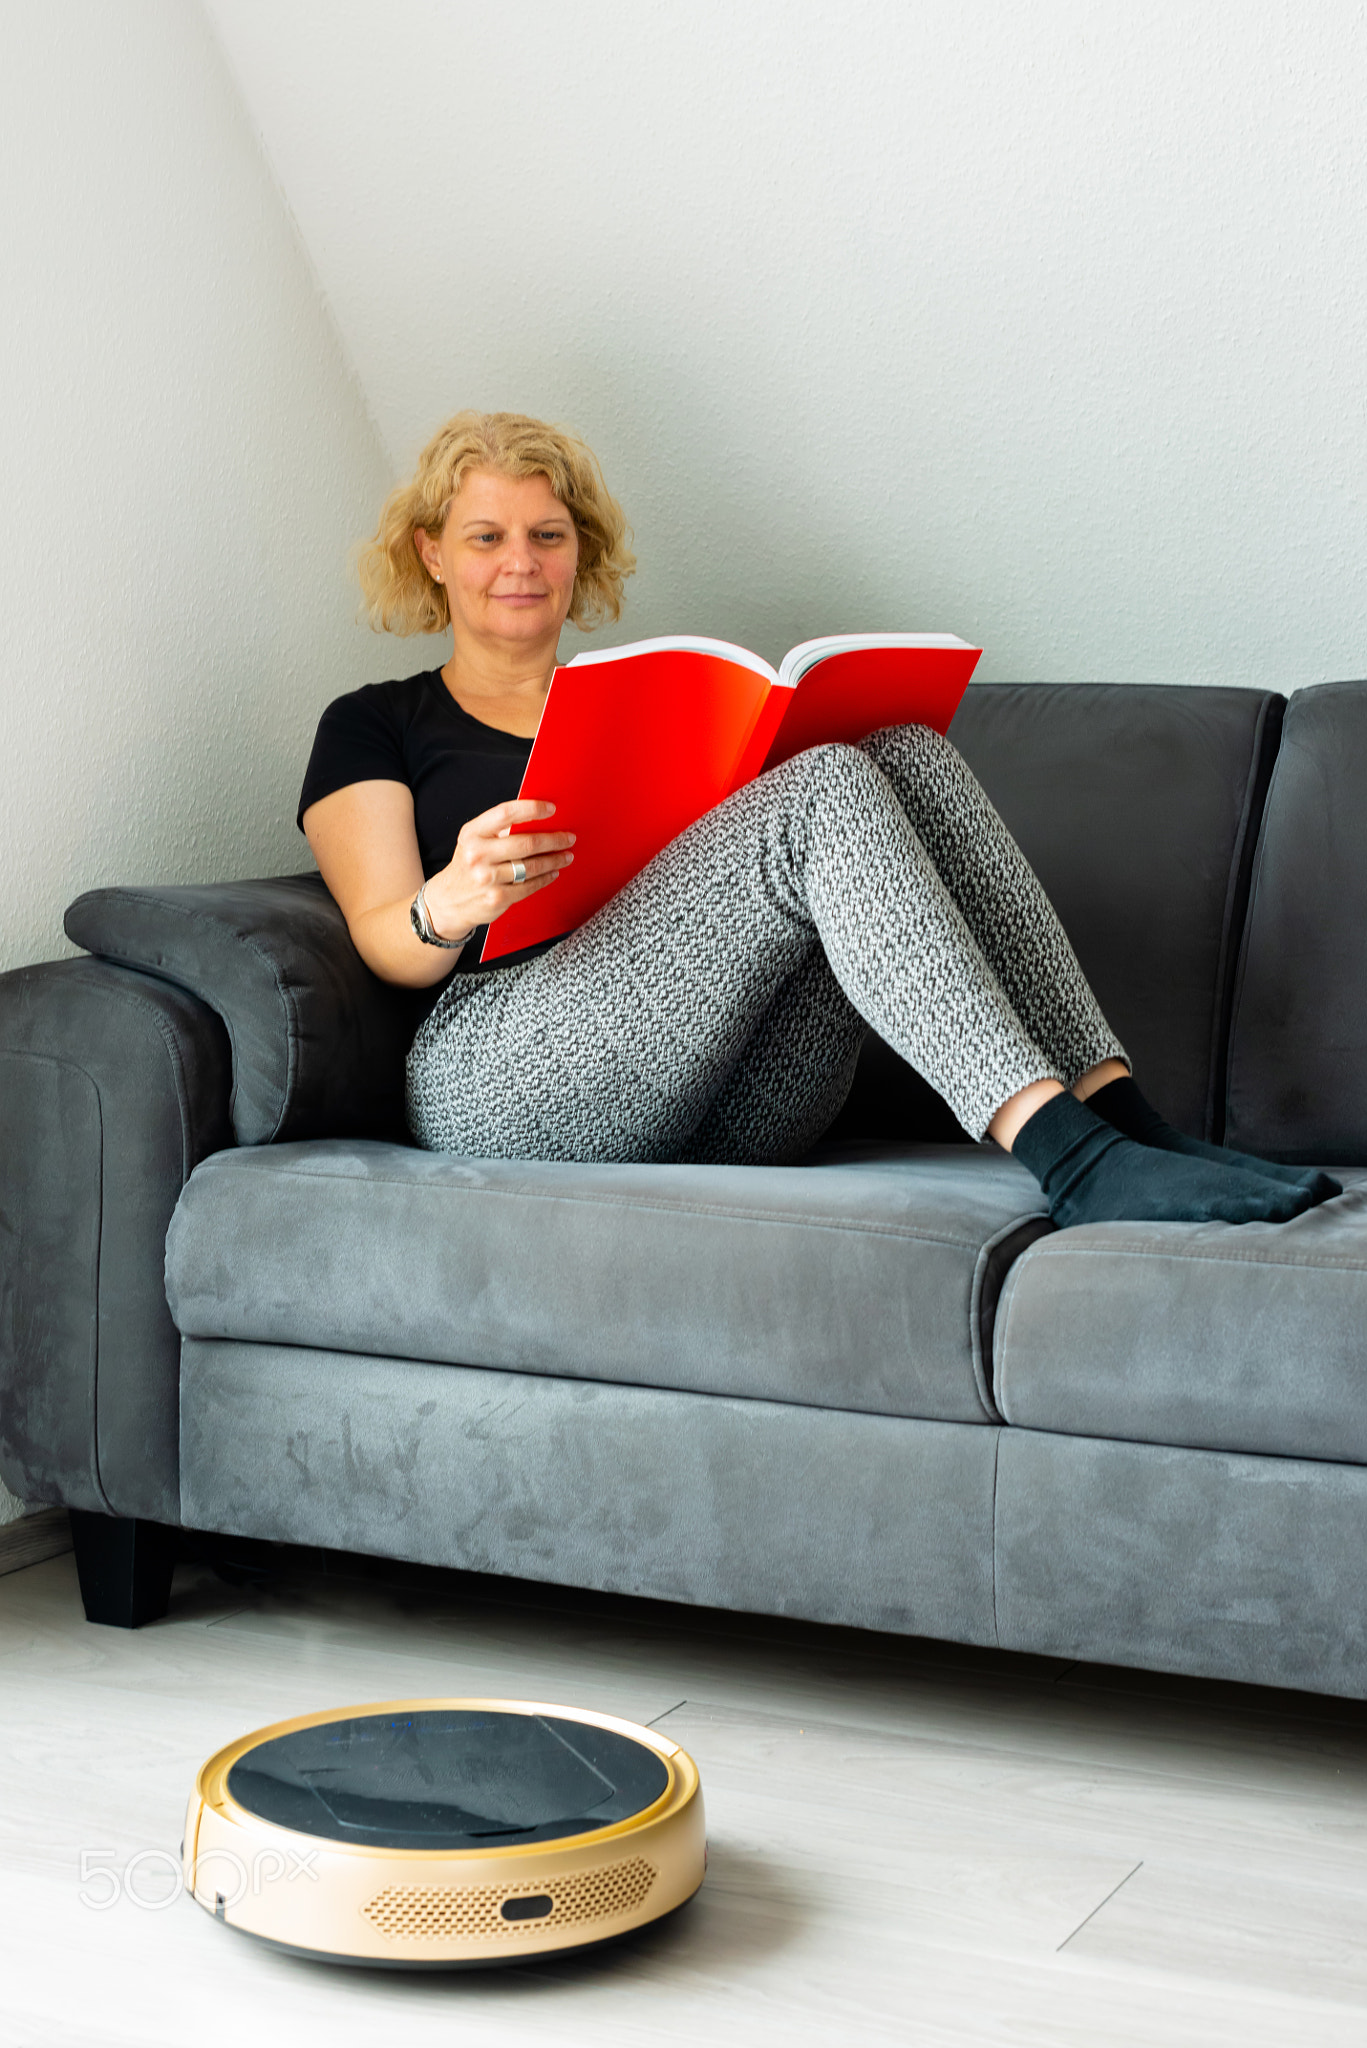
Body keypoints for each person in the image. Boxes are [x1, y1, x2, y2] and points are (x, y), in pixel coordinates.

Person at [300, 410, 1338, 1228]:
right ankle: (1064, 1153)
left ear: (581, 553)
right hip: (506, 1079)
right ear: (432, 553)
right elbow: (384, 939)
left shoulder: (639, 707)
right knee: (824, 784)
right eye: (486, 536)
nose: (519, 561)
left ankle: (1123, 1121)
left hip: (725, 1099)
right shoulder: (376, 722)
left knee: (903, 754)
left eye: (546, 534)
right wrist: (449, 900)